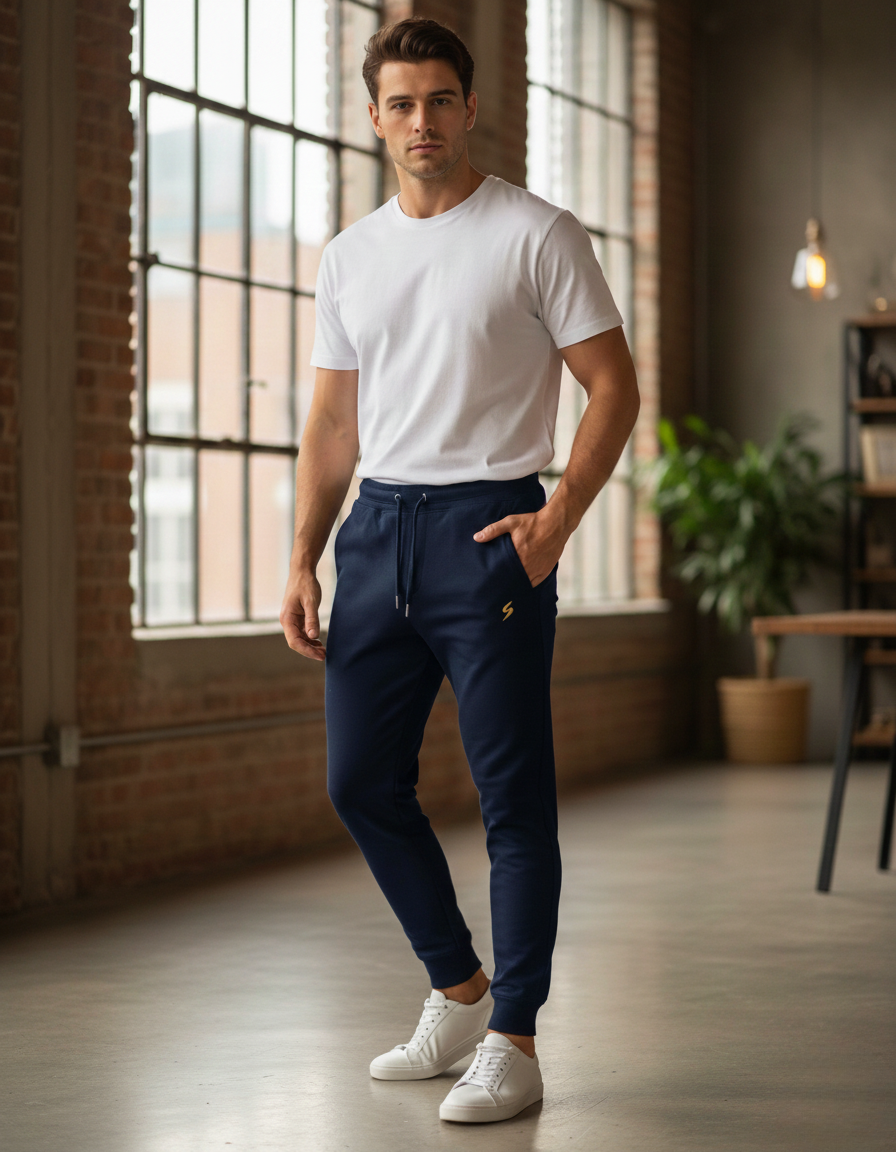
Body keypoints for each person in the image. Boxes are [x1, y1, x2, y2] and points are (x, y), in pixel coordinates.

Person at [279, 16, 639, 1125]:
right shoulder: (351, 254)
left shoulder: (536, 232)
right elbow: (332, 424)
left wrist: (559, 516)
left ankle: (514, 1039)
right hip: (376, 532)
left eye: (439, 100)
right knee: (357, 784)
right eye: (399, 103)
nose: (421, 121)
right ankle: (456, 987)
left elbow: (613, 387)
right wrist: (302, 555)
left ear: (468, 107)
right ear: (374, 114)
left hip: (492, 531)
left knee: (510, 799)